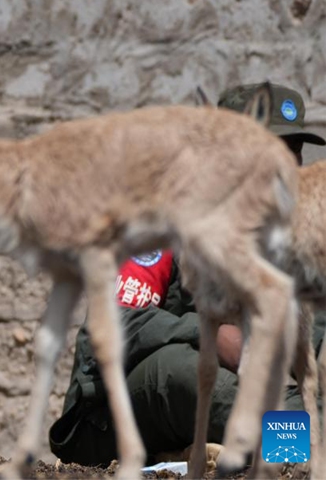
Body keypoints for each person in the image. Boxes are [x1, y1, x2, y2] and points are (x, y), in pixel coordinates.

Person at [48, 83, 326, 467]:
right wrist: (211, 334)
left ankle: (247, 452)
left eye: (292, 153)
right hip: (110, 415)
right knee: (186, 370)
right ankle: (290, 456)